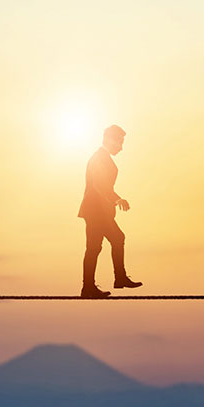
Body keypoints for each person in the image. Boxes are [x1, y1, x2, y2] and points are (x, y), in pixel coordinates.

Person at [78, 125, 142, 298]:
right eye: (119, 142)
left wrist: (114, 199)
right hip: (96, 211)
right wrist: (116, 199)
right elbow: (99, 185)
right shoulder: (100, 158)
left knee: (97, 246)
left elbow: (102, 185)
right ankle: (112, 280)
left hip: (98, 211)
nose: (121, 147)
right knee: (105, 243)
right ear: (109, 139)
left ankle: (92, 286)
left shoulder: (101, 157)